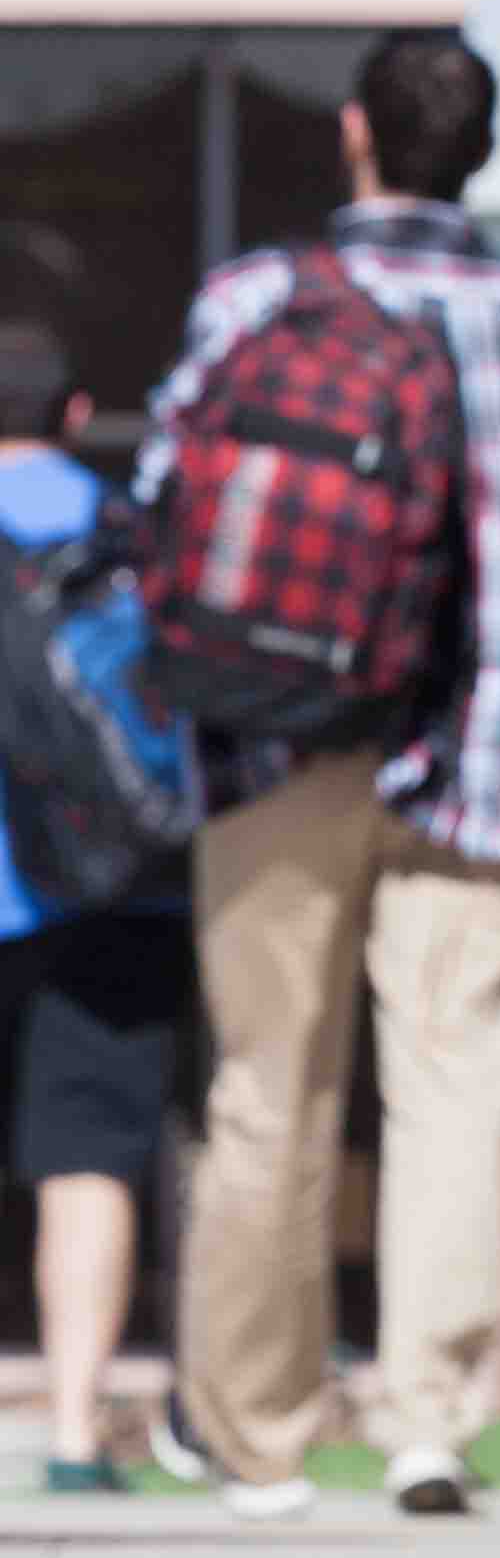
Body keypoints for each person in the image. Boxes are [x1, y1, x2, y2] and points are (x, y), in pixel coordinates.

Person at [137, 32, 500, 1520]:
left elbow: (169, 500)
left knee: (264, 1088)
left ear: (356, 134)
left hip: (271, 734)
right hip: (485, 748)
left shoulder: (252, 301)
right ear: (478, 148)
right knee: (453, 1084)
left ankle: (259, 1436)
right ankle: (426, 1420)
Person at [0, 315, 193, 1490]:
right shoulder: (130, 531)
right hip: (116, 889)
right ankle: (75, 1434)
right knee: (88, 1157)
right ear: (75, 414)